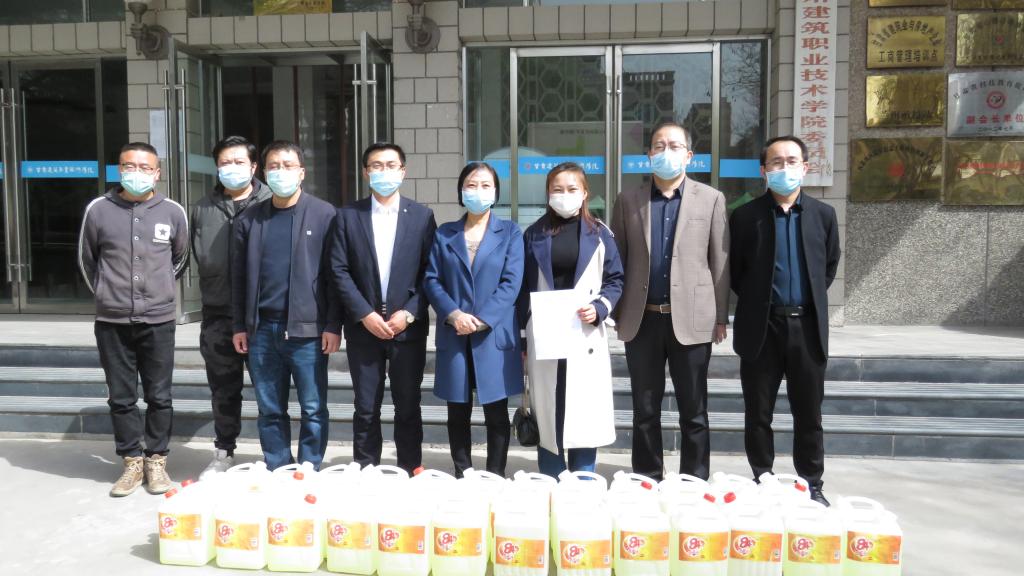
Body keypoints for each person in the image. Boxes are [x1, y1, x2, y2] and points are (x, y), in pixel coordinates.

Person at [610, 121, 730, 481]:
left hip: (692, 319)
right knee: (644, 408)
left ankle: (694, 479)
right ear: (649, 154)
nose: (666, 152)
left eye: (674, 146)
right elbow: (618, 259)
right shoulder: (628, 200)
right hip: (642, 319)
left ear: (689, 155)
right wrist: (616, 311)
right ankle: (648, 477)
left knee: (694, 409)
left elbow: (720, 262)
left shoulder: (711, 199)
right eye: (659, 146)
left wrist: (720, 316)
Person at [729, 135, 840, 506]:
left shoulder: (823, 215)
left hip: (806, 327)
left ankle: (812, 483)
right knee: (758, 413)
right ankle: (763, 477)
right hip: (763, 328)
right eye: (776, 162)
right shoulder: (745, 216)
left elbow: (828, 267)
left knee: (808, 413)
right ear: (764, 170)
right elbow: (737, 273)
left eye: (792, 161)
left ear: (805, 167)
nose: (784, 168)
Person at [78, 142, 189, 497]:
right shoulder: (98, 209)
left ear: (157, 173)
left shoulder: (172, 211)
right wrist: (108, 294)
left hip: (158, 320)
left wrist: (158, 290)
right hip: (112, 321)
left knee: (160, 395)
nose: (136, 173)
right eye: (129, 166)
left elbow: (179, 259)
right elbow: (87, 261)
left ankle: (156, 460)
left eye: (145, 167)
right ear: (119, 169)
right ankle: (131, 461)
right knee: (121, 396)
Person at [230, 140, 341, 471]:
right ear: (264, 173)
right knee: (269, 408)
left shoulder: (324, 214)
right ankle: (278, 466)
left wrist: (333, 325)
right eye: (274, 166)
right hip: (261, 330)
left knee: (313, 407)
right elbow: (238, 278)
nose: (281, 172)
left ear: (302, 172)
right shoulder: (249, 219)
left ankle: (309, 467)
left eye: (288, 166)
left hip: (307, 331)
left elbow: (335, 276)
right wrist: (239, 325)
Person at [330, 142, 437, 474]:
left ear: (403, 172)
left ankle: (410, 468)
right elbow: (339, 269)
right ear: (366, 173)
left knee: (408, 405)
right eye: (376, 166)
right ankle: (366, 468)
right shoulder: (348, 216)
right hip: (364, 328)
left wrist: (409, 312)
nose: (384, 171)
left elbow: (431, 272)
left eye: (391, 165)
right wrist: (364, 313)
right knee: (365, 407)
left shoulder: (421, 217)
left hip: (407, 328)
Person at [518, 162, 624, 477]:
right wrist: (522, 339)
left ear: (585, 193)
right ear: (548, 194)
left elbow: (615, 279)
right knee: (548, 409)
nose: (564, 195)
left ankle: (583, 479)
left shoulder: (600, 233)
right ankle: (551, 478)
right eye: (557, 189)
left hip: (584, 330)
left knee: (583, 410)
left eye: (571, 189)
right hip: (546, 332)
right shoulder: (533, 234)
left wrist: (601, 307)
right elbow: (523, 289)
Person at [423, 162, 524, 477]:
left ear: (495, 192)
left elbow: (511, 283)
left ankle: (494, 476)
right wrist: (454, 314)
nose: (478, 191)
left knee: (496, 413)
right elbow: (432, 279)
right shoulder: (445, 233)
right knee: (457, 411)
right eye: (471, 184)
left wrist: (481, 319)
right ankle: (463, 473)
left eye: (485, 185)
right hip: (455, 333)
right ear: (461, 191)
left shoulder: (510, 232)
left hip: (492, 334)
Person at [191, 135, 271, 479]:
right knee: (223, 389)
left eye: (240, 162)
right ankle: (224, 450)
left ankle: (274, 454)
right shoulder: (202, 209)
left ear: (253, 167)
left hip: (262, 316)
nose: (232, 168)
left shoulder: (271, 202)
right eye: (225, 162)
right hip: (218, 315)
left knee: (269, 390)